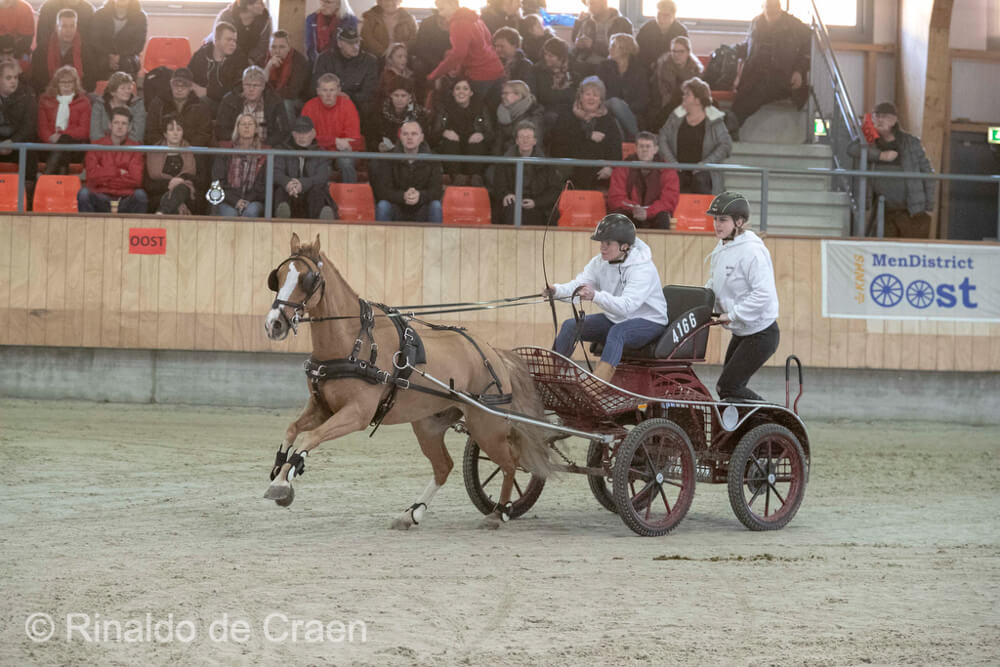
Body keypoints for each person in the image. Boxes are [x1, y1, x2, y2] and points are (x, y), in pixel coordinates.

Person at [546, 213, 669, 383]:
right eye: (601, 243)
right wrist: (556, 291)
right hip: (617, 319)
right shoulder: (599, 262)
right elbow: (579, 285)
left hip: (650, 321)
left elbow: (627, 307)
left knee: (618, 332)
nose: (602, 248)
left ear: (624, 246)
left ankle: (598, 385)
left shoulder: (642, 269)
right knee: (570, 325)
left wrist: (595, 296)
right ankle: (551, 378)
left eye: (608, 243)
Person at [703, 191, 779, 401]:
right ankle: (749, 422)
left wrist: (733, 314)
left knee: (729, 387)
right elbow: (715, 283)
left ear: (739, 222)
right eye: (715, 219)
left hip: (761, 334)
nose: (717, 225)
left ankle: (775, 417)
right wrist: (701, 302)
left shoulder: (752, 252)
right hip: (742, 332)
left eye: (723, 220)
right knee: (726, 390)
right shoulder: (723, 246)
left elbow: (763, 294)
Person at [847, 102, 936, 239]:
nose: (880, 120)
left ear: (894, 120)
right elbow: (851, 149)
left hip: (912, 211)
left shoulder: (910, 142)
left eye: (885, 116)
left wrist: (929, 207)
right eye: (876, 116)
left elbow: (927, 173)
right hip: (883, 212)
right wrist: (880, 155)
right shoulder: (868, 142)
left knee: (912, 249)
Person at [732, 0, 810, 126]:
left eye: (775, 6)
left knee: (756, 92)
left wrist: (799, 71)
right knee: (742, 93)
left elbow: (810, 47)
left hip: (782, 77)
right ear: (763, 6)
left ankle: (729, 125)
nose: (772, 10)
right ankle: (729, 127)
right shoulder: (756, 22)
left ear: (780, 6)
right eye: (768, 6)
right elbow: (747, 47)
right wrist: (738, 73)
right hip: (756, 73)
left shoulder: (794, 25)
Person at [658, 76, 731, 194]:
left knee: (700, 181)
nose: (683, 97)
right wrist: (672, 162)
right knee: (673, 181)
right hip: (678, 170)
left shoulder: (714, 120)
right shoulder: (676, 116)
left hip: (704, 173)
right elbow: (662, 137)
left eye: (687, 94)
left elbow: (726, 145)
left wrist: (704, 165)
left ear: (698, 100)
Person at [427, 0, 504, 106]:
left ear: (452, 4)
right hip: (497, 70)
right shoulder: (475, 19)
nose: (440, 14)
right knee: (493, 110)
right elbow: (488, 42)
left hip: (480, 75)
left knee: (471, 110)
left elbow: (458, 54)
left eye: (442, 9)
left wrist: (434, 75)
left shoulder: (458, 23)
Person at [549, 75, 621, 190]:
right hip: (569, 172)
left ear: (601, 100)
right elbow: (558, 141)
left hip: (599, 175)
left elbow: (615, 148)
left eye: (595, 95)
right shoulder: (566, 115)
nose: (591, 98)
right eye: (587, 94)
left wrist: (610, 167)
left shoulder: (608, 120)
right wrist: (587, 135)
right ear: (580, 97)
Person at [78, 106, 147, 212]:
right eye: (116, 123)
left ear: (129, 127)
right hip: (100, 196)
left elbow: (136, 180)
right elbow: (91, 177)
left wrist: (104, 175)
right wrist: (118, 172)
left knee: (140, 195)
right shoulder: (96, 146)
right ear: (110, 125)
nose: (120, 127)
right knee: (84, 194)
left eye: (124, 123)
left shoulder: (135, 149)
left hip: (125, 197)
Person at [373, 119, 442, 223]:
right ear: (400, 137)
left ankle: (436, 235)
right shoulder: (388, 158)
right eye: (405, 134)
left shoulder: (433, 158)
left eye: (414, 134)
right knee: (383, 206)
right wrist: (403, 196)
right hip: (396, 207)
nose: (409, 137)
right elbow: (382, 191)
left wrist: (420, 196)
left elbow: (436, 191)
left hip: (422, 208)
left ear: (421, 138)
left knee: (435, 206)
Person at [494, 121, 561, 225]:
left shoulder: (547, 164)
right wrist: (506, 194)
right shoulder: (504, 161)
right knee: (510, 210)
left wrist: (536, 202)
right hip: (513, 204)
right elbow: (499, 185)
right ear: (517, 141)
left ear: (534, 141)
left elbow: (554, 190)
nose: (525, 140)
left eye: (528, 137)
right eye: (522, 137)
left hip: (537, 206)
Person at [608, 131, 678, 229]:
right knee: (619, 217)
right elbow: (616, 197)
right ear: (636, 148)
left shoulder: (667, 170)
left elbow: (668, 201)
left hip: (655, 213)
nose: (644, 150)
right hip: (630, 211)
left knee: (663, 218)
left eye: (648, 146)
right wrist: (634, 208)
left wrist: (648, 212)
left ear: (656, 149)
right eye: (641, 146)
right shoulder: (622, 168)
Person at [301, 72, 363, 183]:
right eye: (324, 90)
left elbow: (354, 139)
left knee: (346, 161)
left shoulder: (348, 105)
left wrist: (323, 140)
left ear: (339, 91)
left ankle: (350, 192)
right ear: (318, 91)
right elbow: (305, 138)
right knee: (316, 164)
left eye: (332, 90)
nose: (328, 94)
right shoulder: (309, 106)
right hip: (318, 151)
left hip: (342, 151)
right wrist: (334, 141)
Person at [432, 76, 493, 185]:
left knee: (476, 144)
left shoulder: (481, 108)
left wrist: (482, 135)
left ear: (471, 93)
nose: (461, 92)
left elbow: (491, 134)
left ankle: (475, 178)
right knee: (450, 143)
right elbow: (433, 136)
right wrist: (444, 132)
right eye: (457, 88)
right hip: (451, 155)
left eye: (465, 88)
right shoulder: (444, 109)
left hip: (474, 153)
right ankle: (456, 178)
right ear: (453, 92)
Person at [274, 116, 337, 220]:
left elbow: (322, 176)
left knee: (317, 191)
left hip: (312, 199)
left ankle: (321, 222)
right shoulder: (282, 150)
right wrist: (287, 183)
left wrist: (302, 184)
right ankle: (281, 221)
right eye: (298, 132)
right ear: (293, 134)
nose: (302, 136)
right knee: (281, 190)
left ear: (313, 133)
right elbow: (276, 172)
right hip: (291, 195)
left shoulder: (322, 153)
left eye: (305, 132)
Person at [215, 65, 291, 147]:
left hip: (265, 148)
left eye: (256, 85)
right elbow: (221, 129)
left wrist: (264, 145)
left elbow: (283, 131)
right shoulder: (229, 100)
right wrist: (240, 141)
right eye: (247, 85)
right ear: (242, 85)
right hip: (236, 146)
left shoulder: (275, 101)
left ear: (263, 87)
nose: (251, 89)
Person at [312, 25, 378, 118]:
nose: (355, 47)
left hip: (357, 106)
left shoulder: (369, 61)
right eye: (350, 43)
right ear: (339, 43)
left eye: (357, 42)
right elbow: (316, 86)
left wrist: (349, 97)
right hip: (328, 102)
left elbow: (369, 91)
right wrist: (335, 96)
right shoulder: (325, 58)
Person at [37, 64, 91, 174]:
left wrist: (61, 135)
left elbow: (84, 131)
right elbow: (42, 127)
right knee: (62, 153)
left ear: (75, 84)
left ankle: (46, 177)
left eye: (70, 82)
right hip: (47, 145)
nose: (66, 85)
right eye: (63, 82)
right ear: (56, 84)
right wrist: (51, 139)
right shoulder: (45, 100)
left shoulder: (84, 102)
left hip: (74, 147)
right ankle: (61, 179)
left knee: (64, 142)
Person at [210, 112, 267, 217]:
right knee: (230, 214)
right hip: (228, 199)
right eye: (243, 124)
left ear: (256, 129)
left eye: (250, 124)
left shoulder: (264, 153)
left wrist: (246, 201)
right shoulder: (225, 150)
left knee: (251, 212)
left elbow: (262, 186)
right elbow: (217, 182)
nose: (246, 127)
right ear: (237, 128)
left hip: (253, 200)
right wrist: (235, 201)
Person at [144, 67, 213, 148]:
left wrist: (188, 148)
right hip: (163, 149)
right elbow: (151, 130)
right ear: (170, 85)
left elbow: (204, 133)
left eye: (185, 85)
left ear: (191, 87)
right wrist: (166, 146)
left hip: (192, 151)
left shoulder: (201, 106)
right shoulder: (158, 103)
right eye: (176, 84)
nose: (179, 89)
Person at [596, 32, 646, 141]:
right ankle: (639, 138)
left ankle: (625, 147)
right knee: (615, 102)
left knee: (617, 122)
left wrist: (625, 108)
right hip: (607, 105)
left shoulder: (639, 71)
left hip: (631, 111)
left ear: (624, 49)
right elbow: (600, 91)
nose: (609, 49)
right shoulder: (604, 66)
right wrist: (619, 105)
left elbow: (643, 98)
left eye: (613, 46)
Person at [144, 115, 198, 215]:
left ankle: (161, 212)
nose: (175, 133)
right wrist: (171, 184)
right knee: (177, 203)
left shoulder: (191, 151)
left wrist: (181, 179)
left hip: (186, 196)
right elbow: (149, 185)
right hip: (159, 194)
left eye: (179, 129)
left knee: (182, 188)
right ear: (165, 133)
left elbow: (197, 180)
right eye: (171, 129)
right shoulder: (153, 152)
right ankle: (166, 209)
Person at [187, 21, 249, 108]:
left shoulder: (240, 59)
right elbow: (187, 75)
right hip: (198, 101)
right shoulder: (201, 55)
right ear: (216, 40)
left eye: (234, 40)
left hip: (227, 105)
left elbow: (238, 90)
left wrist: (207, 92)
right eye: (228, 40)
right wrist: (191, 85)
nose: (233, 44)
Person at [647, 35, 702, 130]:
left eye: (681, 51)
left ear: (688, 52)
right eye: (674, 51)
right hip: (665, 105)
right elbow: (665, 95)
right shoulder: (664, 67)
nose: (677, 55)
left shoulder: (695, 68)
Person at [31, 8, 90, 94]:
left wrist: (75, 92)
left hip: (77, 93)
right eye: (64, 26)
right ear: (56, 27)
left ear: (76, 27)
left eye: (72, 26)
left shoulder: (85, 49)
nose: (68, 30)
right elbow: (37, 78)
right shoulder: (42, 49)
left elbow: (90, 79)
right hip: (49, 93)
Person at [88, 0, 147, 85]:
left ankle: (126, 90)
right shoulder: (100, 14)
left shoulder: (140, 17)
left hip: (128, 56)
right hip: (104, 54)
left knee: (125, 63)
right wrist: (110, 56)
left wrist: (120, 57)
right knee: (100, 61)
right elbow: (95, 40)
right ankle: (100, 90)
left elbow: (139, 45)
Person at [371, 76, 429, 152]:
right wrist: (378, 146)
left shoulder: (420, 115)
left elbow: (424, 141)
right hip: (385, 154)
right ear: (390, 95)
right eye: (396, 95)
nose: (399, 99)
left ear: (410, 96)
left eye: (403, 95)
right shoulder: (379, 113)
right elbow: (372, 137)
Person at [0, 59, 37, 178]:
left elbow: (29, 124)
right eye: (8, 78)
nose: (13, 81)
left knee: (30, 150)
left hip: (18, 143)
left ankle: (29, 188)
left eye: (16, 77)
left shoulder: (27, 94)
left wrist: (12, 142)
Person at [263, 30, 310, 119]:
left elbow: (292, 92)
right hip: (273, 96)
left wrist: (271, 97)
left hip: (296, 99)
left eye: (282, 47)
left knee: (285, 104)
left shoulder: (299, 61)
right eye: (273, 47)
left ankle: (289, 128)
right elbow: (259, 84)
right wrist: (268, 67)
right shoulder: (264, 58)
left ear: (289, 47)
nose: (277, 51)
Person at [533, 36, 575, 133]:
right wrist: (563, 92)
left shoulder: (572, 72)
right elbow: (542, 96)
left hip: (568, 110)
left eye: (551, 56)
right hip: (545, 110)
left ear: (561, 57)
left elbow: (574, 96)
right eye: (545, 54)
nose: (546, 58)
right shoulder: (537, 71)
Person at [90, 71, 145, 143]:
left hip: (130, 147)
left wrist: (122, 147)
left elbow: (137, 135)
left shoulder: (137, 104)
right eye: (123, 88)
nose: (127, 91)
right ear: (113, 92)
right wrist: (110, 147)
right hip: (103, 147)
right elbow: (95, 134)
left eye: (129, 88)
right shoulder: (99, 104)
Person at [493, 79, 543, 156]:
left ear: (519, 95)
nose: (502, 96)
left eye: (506, 93)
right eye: (502, 93)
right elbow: (498, 141)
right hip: (503, 157)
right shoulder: (501, 112)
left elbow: (531, 145)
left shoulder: (533, 114)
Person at [635, 0, 687, 73]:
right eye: (659, 14)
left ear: (674, 16)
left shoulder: (681, 31)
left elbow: (683, 55)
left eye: (666, 15)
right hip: (647, 68)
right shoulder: (646, 28)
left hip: (672, 69)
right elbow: (638, 52)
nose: (661, 18)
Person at [215, 0, 273, 66]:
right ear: (248, 5)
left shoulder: (265, 18)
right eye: (259, 3)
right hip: (228, 56)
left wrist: (250, 60)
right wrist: (240, 60)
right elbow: (220, 42)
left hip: (252, 61)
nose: (263, 6)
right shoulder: (226, 17)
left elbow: (263, 46)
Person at [305, 0, 357, 64]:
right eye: (322, 1)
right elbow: (310, 47)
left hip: (341, 63)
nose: (323, 5)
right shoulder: (312, 19)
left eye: (328, 2)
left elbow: (348, 48)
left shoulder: (350, 20)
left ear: (339, 4)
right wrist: (320, 63)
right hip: (316, 63)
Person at [493, 26, 536, 92]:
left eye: (501, 46)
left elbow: (528, 91)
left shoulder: (526, 66)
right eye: (496, 46)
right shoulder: (495, 64)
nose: (497, 49)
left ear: (514, 45)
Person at [0, 0, 37, 72]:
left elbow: (26, 42)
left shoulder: (24, 8)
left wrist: (13, 57)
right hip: (2, 50)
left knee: (26, 60)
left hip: (19, 52)